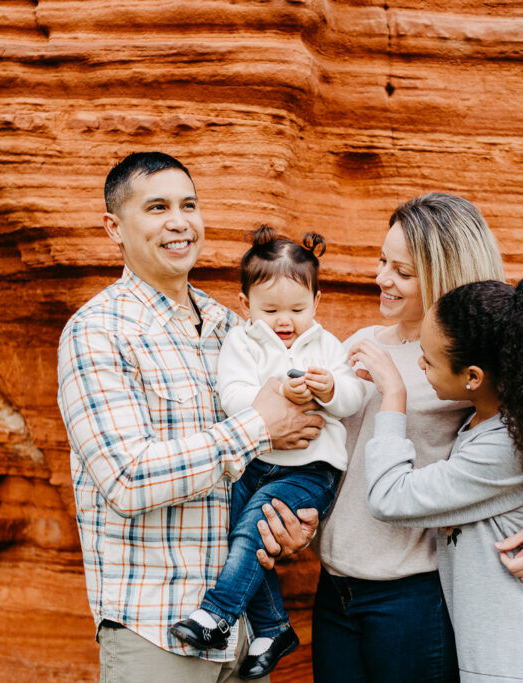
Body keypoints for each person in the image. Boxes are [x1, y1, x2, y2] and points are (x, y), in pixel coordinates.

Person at [307, 193, 523, 682]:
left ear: (443, 274)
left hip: (414, 595)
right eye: (382, 261)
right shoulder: (360, 343)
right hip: (334, 586)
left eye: (402, 271)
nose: (382, 278)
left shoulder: (466, 366)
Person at [57, 152, 323, 682]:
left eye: (189, 205)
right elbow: (127, 478)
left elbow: (282, 449)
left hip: (245, 631)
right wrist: (256, 427)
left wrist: (294, 520)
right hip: (155, 627)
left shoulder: (235, 327)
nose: (179, 222)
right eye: (157, 207)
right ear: (115, 227)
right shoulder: (97, 332)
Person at [355, 278, 523, 682]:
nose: (419, 366)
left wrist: (393, 396)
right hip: (508, 656)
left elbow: (390, 498)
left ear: (473, 377)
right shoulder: (511, 417)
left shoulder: (509, 445)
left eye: (428, 359)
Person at [171, 226, 364, 679]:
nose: (284, 320)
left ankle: (217, 616)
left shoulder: (326, 344)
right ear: (245, 305)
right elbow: (232, 395)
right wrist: (272, 396)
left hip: (311, 471)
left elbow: (354, 398)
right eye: (270, 309)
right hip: (256, 464)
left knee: (251, 531)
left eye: (297, 309)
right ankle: (273, 626)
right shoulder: (243, 342)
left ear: (317, 303)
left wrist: (331, 389)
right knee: (238, 535)